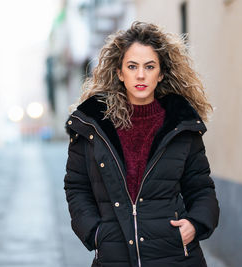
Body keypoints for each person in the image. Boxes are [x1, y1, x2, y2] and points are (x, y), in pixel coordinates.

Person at [64, 21, 220, 267]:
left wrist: (195, 224)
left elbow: (201, 187)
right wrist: (95, 233)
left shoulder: (181, 124)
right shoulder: (92, 125)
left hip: (175, 256)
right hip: (114, 256)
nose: (140, 75)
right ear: (119, 72)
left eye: (149, 67)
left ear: (160, 74)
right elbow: (77, 187)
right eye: (132, 66)